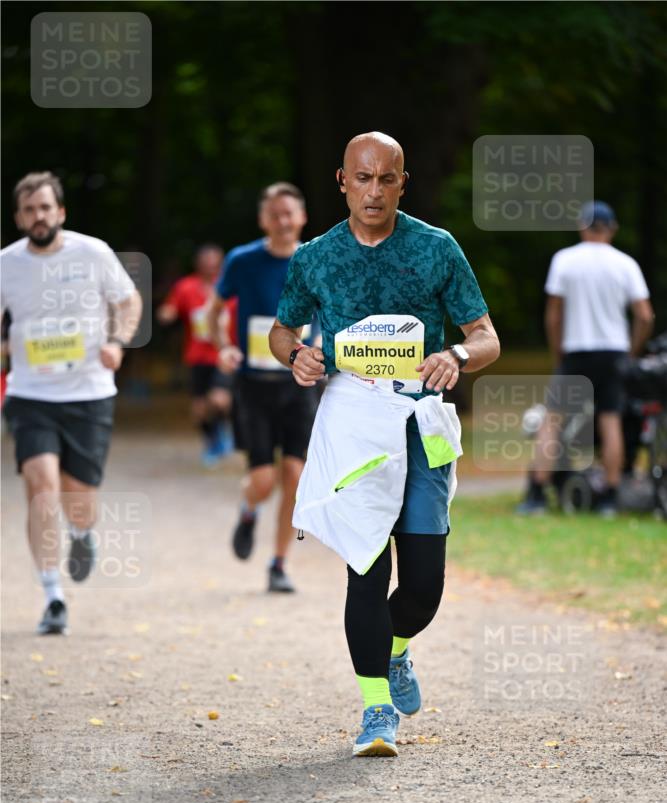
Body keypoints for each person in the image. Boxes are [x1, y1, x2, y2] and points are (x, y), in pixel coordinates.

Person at [268, 132, 500, 757]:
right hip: (352, 422)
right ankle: (376, 712)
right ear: (341, 181)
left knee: (422, 586)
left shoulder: (436, 248)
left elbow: (485, 336)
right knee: (366, 568)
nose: (374, 190)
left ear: (403, 181)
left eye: (386, 179)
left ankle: (396, 648)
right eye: (362, 178)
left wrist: (456, 353)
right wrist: (297, 357)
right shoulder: (316, 257)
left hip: (419, 422)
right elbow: (282, 329)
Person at [1, 172, 142, 635]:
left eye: (45, 207)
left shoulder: (93, 252)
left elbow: (128, 301)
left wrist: (118, 342)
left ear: (60, 212)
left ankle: (81, 535)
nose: (37, 216)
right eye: (28, 210)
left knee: (77, 499)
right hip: (30, 394)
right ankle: (52, 595)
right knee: (40, 485)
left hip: (89, 393)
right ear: (19, 217)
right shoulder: (7, 263)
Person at [209, 182, 318, 593]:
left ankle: (278, 563)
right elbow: (215, 311)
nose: (283, 221)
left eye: (289, 213)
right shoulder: (242, 261)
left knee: (294, 474)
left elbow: (329, 313)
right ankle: (248, 508)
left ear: (302, 217)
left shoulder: (314, 259)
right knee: (263, 480)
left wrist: (322, 345)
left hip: (299, 384)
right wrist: (223, 347)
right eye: (275, 214)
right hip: (253, 385)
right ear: (263, 219)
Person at [518, 201, 654, 517]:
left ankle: (537, 495)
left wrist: (558, 352)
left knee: (552, 420)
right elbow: (645, 316)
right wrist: (631, 352)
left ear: (582, 226)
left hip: (576, 351)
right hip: (614, 352)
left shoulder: (565, 260)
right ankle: (609, 496)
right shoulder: (625, 264)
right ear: (612, 228)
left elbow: (553, 315)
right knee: (610, 422)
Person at [156, 244, 234, 467]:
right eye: (206, 263)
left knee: (220, 400)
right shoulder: (186, 287)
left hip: (223, 354)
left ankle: (224, 431)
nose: (210, 267)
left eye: (214, 263)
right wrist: (166, 314)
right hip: (197, 356)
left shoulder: (229, 285)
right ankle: (212, 441)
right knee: (199, 409)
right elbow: (171, 308)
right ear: (198, 265)